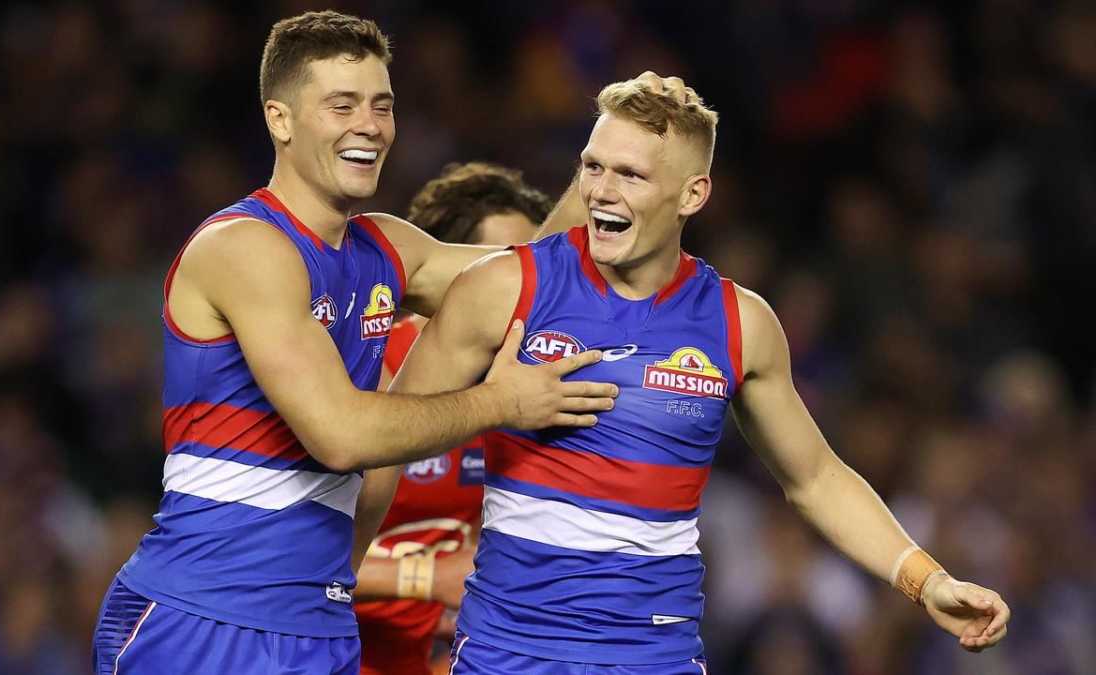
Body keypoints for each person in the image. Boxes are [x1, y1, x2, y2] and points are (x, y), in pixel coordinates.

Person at [389, 74, 1012, 673]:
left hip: (655, 657)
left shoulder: (740, 323)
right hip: (510, 652)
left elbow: (817, 477)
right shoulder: (502, 289)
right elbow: (384, 444)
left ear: (692, 194)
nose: (601, 191)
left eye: (630, 174)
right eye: (593, 167)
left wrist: (926, 581)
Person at [91, 12, 619, 675]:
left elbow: (535, 274)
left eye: (382, 105)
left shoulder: (387, 247)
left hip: (322, 631)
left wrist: (605, 160)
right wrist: (501, 401)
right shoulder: (245, 247)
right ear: (280, 120)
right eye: (342, 105)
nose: (369, 124)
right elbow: (340, 434)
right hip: (204, 622)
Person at [351, 162, 553, 675]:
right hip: (333, 651)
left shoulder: (528, 394)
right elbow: (286, 553)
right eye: (504, 269)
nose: (524, 295)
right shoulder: (366, 372)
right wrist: (426, 579)